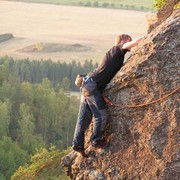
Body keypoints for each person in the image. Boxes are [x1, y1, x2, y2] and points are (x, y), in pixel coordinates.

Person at [72, 34, 142, 157]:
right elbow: (130, 44)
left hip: (89, 86)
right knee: (102, 116)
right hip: (91, 87)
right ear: (124, 41)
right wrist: (141, 40)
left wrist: (103, 97)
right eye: (128, 40)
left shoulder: (114, 55)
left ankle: (78, 145)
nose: (129, 43)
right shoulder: (116, 50)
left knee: (84, 119)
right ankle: (95, 140)